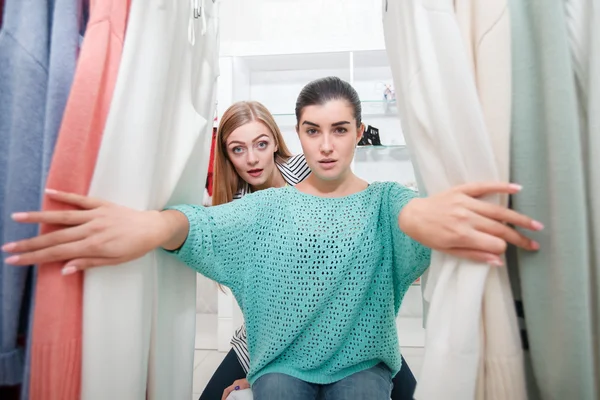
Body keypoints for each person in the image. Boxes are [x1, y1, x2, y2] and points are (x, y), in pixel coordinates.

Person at [2, 77, 542, 400]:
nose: (326, 145)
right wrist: (152, 225)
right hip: (276, 350)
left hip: (364, 356)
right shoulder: (265, 204)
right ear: (300, 132)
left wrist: (434, 214)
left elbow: (410, 214)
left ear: (359, 132)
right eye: (313, 130)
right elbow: (202, 224)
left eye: (339, 130)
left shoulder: (382, 197)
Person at [205, 100, 419, 400]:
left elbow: (362, 221)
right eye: (238, 149)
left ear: (276, 142)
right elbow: (258, 296)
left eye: (261, 144)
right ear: (227, 154)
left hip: (347, 322)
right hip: (272, 332)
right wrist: (257, 372)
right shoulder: (236, 206)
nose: (252, 159)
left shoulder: (309, 169)